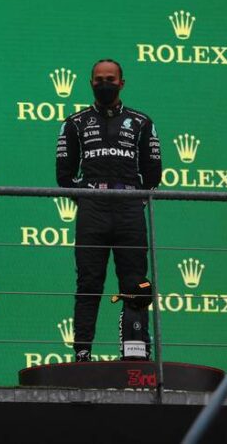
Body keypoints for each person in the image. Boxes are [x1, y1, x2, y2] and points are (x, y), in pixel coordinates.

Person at [56, 59, 161, 361]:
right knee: (89, 282)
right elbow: (64, 176)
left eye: (111, 79)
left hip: (129, 209)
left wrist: (134, 197)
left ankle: (136, 351)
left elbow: (154, 173)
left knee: (136, 281)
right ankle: (83, 354)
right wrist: (89, 197)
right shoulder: (75, 122)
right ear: (91, 83)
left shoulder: (142, 122)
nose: (105, 84)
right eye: (100, 79)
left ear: (122, 83)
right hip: (93, 211)